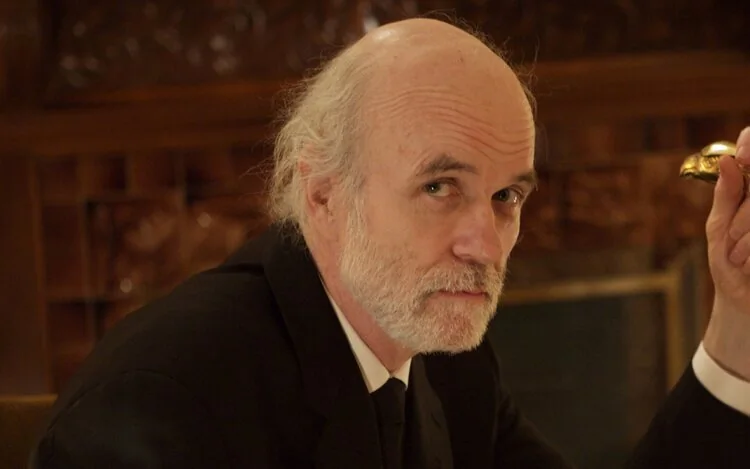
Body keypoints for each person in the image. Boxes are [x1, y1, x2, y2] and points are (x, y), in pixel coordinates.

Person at [31, 17, 750, 469]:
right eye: (440, 186)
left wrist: (738, 320)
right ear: (323, 192)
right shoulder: (159, 405)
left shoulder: (448, 363)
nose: (484, 243)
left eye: (506, 196)